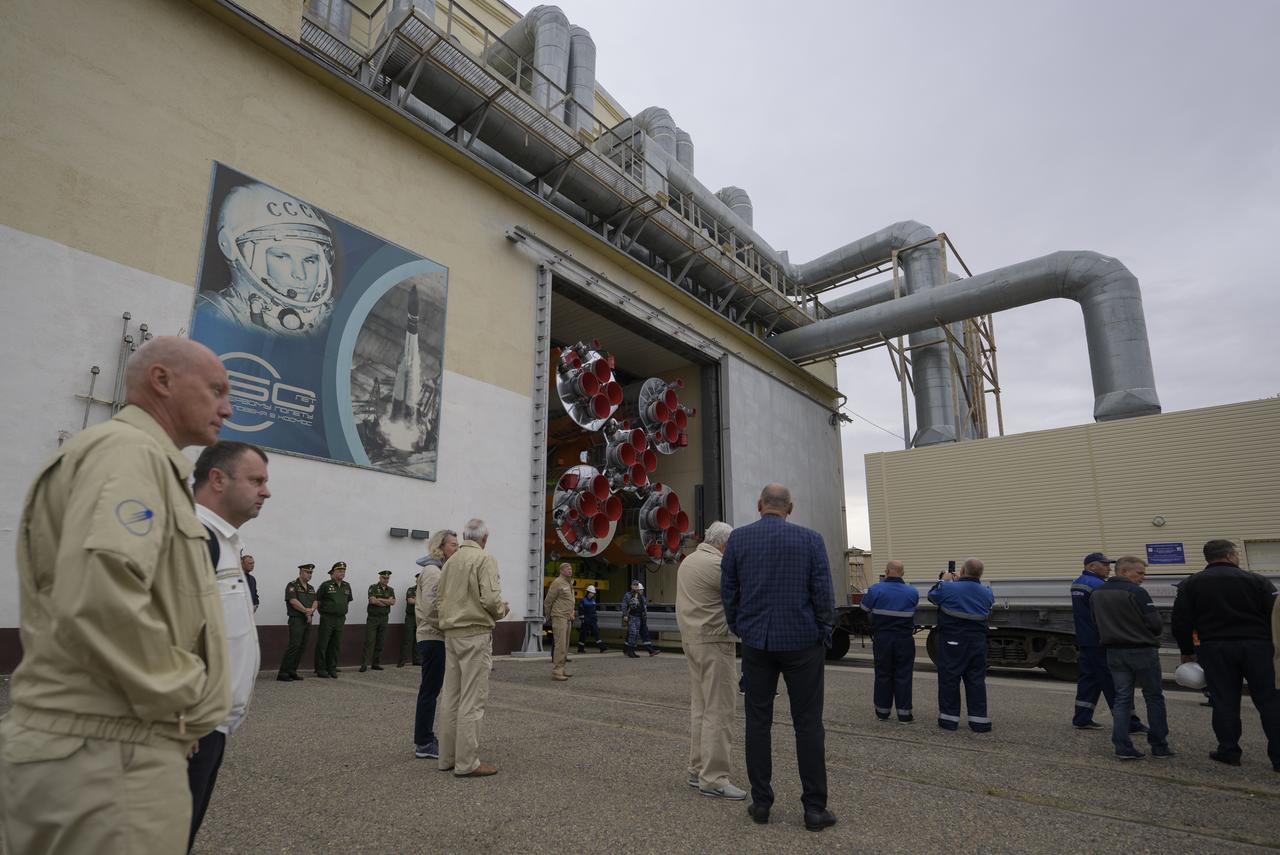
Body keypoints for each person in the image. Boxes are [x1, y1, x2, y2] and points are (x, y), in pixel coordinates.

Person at [0, 336, 231, 854]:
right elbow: (102, 595)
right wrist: (180, 696)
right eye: (216, 389)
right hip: (109, 755)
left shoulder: (135, 458)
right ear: (162, 380)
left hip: (98, 744)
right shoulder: (130, 455)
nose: (228, 407)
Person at [721, 484, 837, 832]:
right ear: (791, 507)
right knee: (808, 724)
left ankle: (761, 803)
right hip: (802, 641)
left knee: (758, 722)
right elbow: (823, 592)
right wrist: (823, 632)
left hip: (758, 642)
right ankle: (815, 809)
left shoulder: (739, 540)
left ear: (760, 505)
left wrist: (740, 626)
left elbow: (728, 590)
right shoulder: (811, 540)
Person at [189, 440, 271, 850]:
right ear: (217, 479)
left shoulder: (224, 541)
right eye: (256, 480)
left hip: (210, 726)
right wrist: (181, 716)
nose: (266, 491)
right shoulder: (193, 537)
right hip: (187, 729)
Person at [1172, 539, 1280, 771]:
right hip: (1258, 647)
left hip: (1215, 648)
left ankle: (1229, 751)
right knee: (1270, 701)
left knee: (1224, 701)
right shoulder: (1257, 581)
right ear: (1231, 556)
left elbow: (1180, 621)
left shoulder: (1190, 584)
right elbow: (1274, 614)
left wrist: (1187, 652)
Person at [195, 181, 337, 337]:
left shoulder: (329, 322)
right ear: (237, 251)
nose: (300, 274)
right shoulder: (213, 314)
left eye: (310, 260)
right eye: (282, 257)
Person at [434, 519, 509, 777]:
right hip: (475, 632)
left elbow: (439, 599)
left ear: (465, 536)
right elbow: (490, 598)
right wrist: (502, 610)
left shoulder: (450, 561)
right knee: (472, 699)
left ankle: (447, 758)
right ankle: (467, 763)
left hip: (451, 633)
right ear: (484, 539)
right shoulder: (484, 559)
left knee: (450, 697)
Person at [677, 522, 745, 800]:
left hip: (693, 639)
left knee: (701, 707)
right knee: (719, 710)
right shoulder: (716, 565)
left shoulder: (689, 561)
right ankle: (714, 778)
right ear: (724, 545)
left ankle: (697, 768)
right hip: (714, 641)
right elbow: (741, 591)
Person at [1090, 556, 1174, 760]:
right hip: (1142, 650)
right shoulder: (1136, 592)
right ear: (1124, 571)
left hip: (1114, 651)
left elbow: (1095, 621)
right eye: (1140, 573)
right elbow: (1155, 624)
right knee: (1153, 696)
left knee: (1122, 698)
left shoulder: (1096, 593)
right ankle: (1159, 745)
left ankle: (1122, 746)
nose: (1143, 578)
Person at [1070, 552, 1143, 733]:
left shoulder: (1078, 582)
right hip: (1101, 640)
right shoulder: (1099, 585)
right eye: (1104, 565)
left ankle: (1082, 717)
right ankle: (1129, 723)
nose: (1109, 568)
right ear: (1091, 566)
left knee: (1090, 678)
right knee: (1113, 681)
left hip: (1087, 639)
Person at [928, 558, 995, 733]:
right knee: (976, 680)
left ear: (963, 571)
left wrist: (944, 580)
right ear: (980, 573)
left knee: (950, 678)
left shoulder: (948, 587)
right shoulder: (987, 591)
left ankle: (949, 720)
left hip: (953, 640)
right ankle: (979, 721)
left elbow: (932, 596)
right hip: (978, 641)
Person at [413, 529, 458, 760]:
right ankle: (423, 742)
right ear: (439, 548)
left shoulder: (440, 570)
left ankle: (426, 739)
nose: (456, 549)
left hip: (437, 636)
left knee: (432, 689)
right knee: (429, 691)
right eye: (452, 545)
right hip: (433, 637)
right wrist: (452, 624)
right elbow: (432, 608)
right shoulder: (433, 571)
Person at [860, 560, 919, 723]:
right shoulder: (912, 592)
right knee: (904, 675)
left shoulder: (876, 589)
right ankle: (904, 714)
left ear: (886, 571)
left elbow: (864, 608)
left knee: (883, 674)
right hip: (904, 639)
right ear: (903, 572)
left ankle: (882, 712)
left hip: (883, 638)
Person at [278, 563, 318, 681]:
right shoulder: (292, 585)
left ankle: (292, 670)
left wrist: (312, 610)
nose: (309, 575)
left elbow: (315, 601)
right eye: (307, 572)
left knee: (302, 646)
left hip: (307, 619)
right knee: (294, 645)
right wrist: (306, 611)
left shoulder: (311, 588)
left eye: (311, 573)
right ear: (300, 572)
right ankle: (283, 672)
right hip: (296, 619)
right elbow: (293, 601)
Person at [315, 562, 353, 678]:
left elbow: (346, 601)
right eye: (340, 570)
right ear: (333, 572)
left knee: (336, 644)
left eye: (344, 571)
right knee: (323, 644)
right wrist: (324, 613)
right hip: (327, 618)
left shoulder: (347, 586)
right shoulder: (326, 585)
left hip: (340, 619)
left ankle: (332, 667)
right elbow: (317, 600)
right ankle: (320, 668)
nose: (342, 573)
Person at [544, 563, 576, 681]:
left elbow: (571, 600)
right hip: (559, 616)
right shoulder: (557, 582)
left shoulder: (569, 583)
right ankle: (557, 671)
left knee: (566, 645)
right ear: (561, 570)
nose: (570, 570)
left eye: (571, 568)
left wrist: (572, 611)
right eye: (567, 568)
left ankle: (561, 668)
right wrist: (548, 616)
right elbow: (548, 601)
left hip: (567, 617)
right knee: (560, 645)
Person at [360, 570, 396, 672]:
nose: (386, 580)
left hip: (384, 618)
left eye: (387, 578)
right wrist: (386, 601)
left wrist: (379, 599)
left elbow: (393, 602)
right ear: (380, 578)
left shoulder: (391, 590)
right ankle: (364, 664)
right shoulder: (373, 587)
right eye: (384, 578)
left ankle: (375, 663)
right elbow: (372, 600)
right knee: (369, 641)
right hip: (373, 618)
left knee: (381, 641)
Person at [621, 580, 660, 657]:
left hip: (639, 618)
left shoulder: (641, 597)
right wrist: (625, 615)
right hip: (632, 617)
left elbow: (643, 608)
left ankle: (629, 651)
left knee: (634, 635)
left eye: (637, 586)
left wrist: (644, 617)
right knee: (633, 633)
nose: (636, 587)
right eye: (634, 585)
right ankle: (630, 651)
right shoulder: (628, 595)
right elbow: (624, 605)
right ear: (632, 586)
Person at [577, 584, 607, 653]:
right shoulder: (583, 600)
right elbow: (580, 610)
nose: (592, 594)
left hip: (592, 619)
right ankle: (580, 648)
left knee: (596, 632)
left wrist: (595, 617)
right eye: (591, 593)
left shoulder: (593, 601)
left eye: (593, 593)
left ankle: (601, 647)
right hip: (586, 620)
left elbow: (594, 610)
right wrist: (583, 619)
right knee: (583, 634)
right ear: (588, 592)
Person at [399, 573, 420, 668]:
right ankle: (402, 660)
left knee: (418, 640)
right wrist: (422, 600)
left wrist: (417, 599)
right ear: (416, 580)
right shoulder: (411, 590)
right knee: (408, 639)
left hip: (420, 618)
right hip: (411, 617)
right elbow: (410, 601)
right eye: (418, 579)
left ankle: (416, 660)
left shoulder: (425, 591)